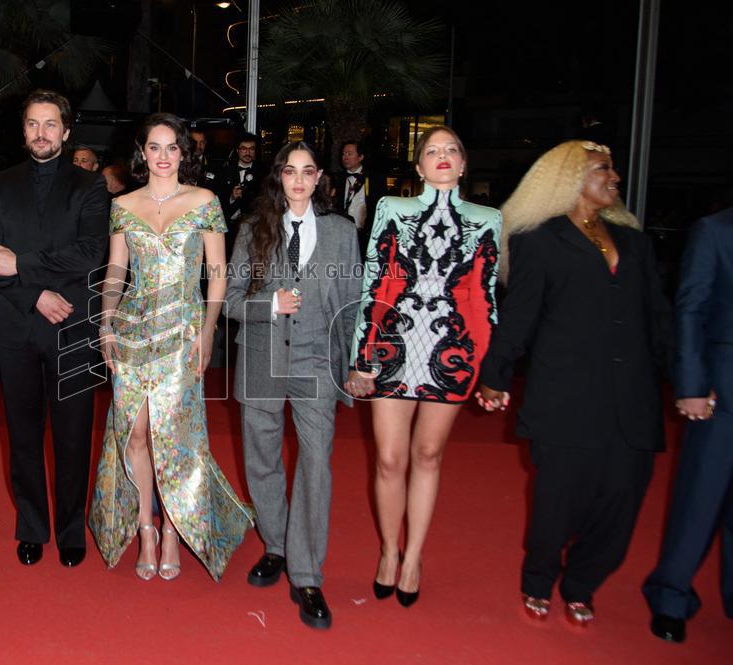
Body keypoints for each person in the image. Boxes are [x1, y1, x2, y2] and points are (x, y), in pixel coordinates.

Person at [476, 140, 673, 627]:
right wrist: (496, 376)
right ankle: (539, 579)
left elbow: (660, 321)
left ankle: (583, 582)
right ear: (567, 179)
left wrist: (688, 380)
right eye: (603, 168)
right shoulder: (539, 241)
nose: (615, 176)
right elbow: (518, 318)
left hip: (632, 401)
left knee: (621, 503)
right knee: (557, 504)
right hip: (564, 399)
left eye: (613, 168)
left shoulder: (636, 244)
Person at [89, 113, 252, 582]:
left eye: (172, 147)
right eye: (154, 147)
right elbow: (116, 270)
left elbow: (217, 273)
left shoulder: (204, 201)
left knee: (175, 437)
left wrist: (208, 330)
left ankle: (177, 530)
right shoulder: (122, 205)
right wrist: (106, 323)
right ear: (142, 153)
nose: (163, 156)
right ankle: (147, 528)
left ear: (184, 153)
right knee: (135, 432)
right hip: (134, 328)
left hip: (182, 329)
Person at [348, 126, 502, 608]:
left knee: (429, 455)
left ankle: (414, 556)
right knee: (390, 458)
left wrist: (488, 366)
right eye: (431, 151)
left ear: (463, 164)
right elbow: (376, 281)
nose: (442, 156)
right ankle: (389, 552)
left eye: (451, 149)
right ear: (418, 167)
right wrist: (362, 356)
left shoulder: (489, 219)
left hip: (453, 350)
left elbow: (486, 297)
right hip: (394, 343)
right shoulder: (392, 209)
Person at [226, 141, 362, 629]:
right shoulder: (252, 230)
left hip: (316, 361)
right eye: (290, 171)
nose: (299, 180)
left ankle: (307, 574)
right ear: (278, 177)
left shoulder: (342, 234)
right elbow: (230, 302)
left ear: (320, 176)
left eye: (308, 171)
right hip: (262, 357)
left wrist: (352, 365)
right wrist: (270, 306)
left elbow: (351, 305)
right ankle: (277, 545)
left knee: (316, 463)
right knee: (261, 460)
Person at [0, 89, 109, 568]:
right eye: (33, 124)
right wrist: (34, 293)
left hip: (71, 327)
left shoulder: (90, 186)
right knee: (24, 438)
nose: (41, 133)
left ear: (66, 132)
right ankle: (31, 526)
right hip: (16, 328)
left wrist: (22, 263)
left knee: (73, 439)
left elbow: (91, 252)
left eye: (50, 124)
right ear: (23, 130)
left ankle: (72, 529)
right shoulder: (0, 184)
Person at [643, 206, 733, 643]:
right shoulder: (714, 230)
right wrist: (692, 384)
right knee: (701, 497)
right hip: (722, 393)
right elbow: (691, 307)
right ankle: (671, 597)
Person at [334, 140, 386, 249]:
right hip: (342, 233)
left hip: (365, 236)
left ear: (360, 157)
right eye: (343, 154)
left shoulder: (374, 179)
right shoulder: (338, 178)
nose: (345, 157)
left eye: (349, 154)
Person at [218, 133, 263, 252]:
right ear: (237, 151)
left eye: (251, 149)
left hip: (254, 228)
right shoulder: (224, 171)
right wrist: (232, 197)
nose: (247, 152)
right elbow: (218, 200)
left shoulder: (264, 173)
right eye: (243, 149)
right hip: (229, 228)